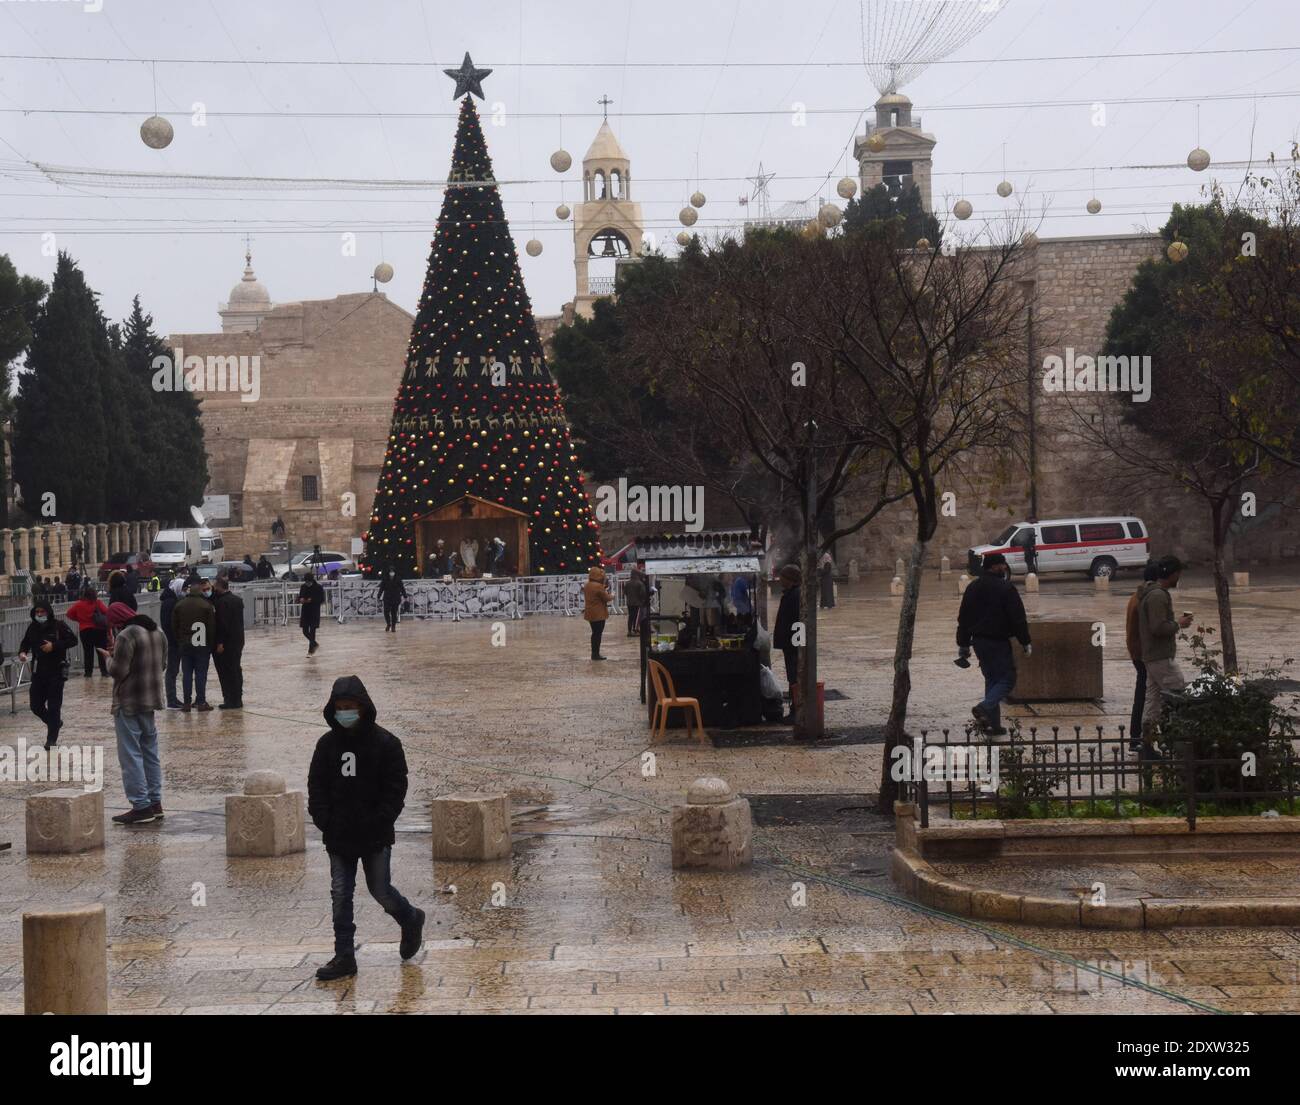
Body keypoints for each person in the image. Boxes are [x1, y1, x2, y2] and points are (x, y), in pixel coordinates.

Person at [308, 676, 424, 981]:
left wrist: (380, 821)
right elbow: (316, 787)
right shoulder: (326, 745)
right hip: (339, 836)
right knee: (341, 894)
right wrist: (325, 820)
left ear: (362, 707)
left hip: (374, 835)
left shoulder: (386, 743)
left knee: (381, 890)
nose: (345, 713)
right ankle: (344, 955)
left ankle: (410, 918)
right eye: (340, 708)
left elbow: (396, 788)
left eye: (350, 707)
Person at [102, 610, 167, 825]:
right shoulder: (157, 631)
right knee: (150, 752)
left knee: (130, 754)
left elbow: (118, 670)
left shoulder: (127, 635)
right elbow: (163, 664)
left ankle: (141, 805)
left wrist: (108, 659)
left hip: (128, 701)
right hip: (150, 700)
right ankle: (155, 802)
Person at [956, 552, 1031, 736]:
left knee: (992, 680)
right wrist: (1025, 641)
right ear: (993, 566)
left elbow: (963, 618)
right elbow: (1018, 618)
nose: (1004, 567)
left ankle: (992, 725)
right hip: (997, 642)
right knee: (1007, 679)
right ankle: (984, 707)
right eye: (1002, 564)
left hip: (979, 643)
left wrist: (963, 645)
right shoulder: (1005, 588)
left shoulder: (973, 587)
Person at [1137, 555, 1194, 744]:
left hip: (1153, 656)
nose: (1179, 578)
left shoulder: (1153, 594)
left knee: (1153, 702)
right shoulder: (1157, 596)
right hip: (1160, 657)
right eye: (1178, 574)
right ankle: (1177, 741)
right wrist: (1179, 624)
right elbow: (1157, 627)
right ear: (1172, 574)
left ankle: (1148, 743)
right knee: (1178, 694)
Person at [17, 600, 77, 750]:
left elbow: (73, 640)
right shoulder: (32, 627)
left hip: (56, 672)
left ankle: (51, 739)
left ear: (48, 612)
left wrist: (54, 646)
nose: (39, 614)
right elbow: (25, 643)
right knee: (35, 705)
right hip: (38, 673)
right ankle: (54, 722)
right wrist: (22, 653)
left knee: (54, 706)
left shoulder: (59, 626)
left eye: (42, 612)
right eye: (37, 612)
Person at [1125, 559, 1163, 751]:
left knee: (1144, 694)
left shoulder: (1137, 595)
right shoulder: (1146, 598)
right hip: (1144, 654)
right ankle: (1139, 738)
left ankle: (1137, 737)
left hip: (1137, 652)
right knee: (1148, 695)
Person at [172, 579, 215, 712]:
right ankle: (201, 702)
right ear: (200, 591)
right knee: (201, 674)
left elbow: (174, 626)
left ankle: (186, 703)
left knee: (187, 674)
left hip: (185, 644)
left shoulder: (179, 605)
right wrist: (210, 644)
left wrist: (179, 640)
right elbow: (212, 627)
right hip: (201, 644)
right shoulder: (206, 605)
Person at [772, 564, 802, 721]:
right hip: (790, 644)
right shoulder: (791, 594)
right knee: (792, 677)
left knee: (794, 677)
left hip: (793, 645)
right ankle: (794, 709)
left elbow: (799, 622)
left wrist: (797, 644)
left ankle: (796, 711)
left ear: (790, 579)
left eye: (782, 577)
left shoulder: (795, 595)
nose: (780, 580)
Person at [211, 576, 245, 710]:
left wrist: (220, 643)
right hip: (238, 640)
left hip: (226, 643)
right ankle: (238, 698)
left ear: (219, 587)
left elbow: (222, 625)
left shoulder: (221, 603)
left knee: (227, 671)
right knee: (236, 669)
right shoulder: (237, 600)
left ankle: (231, 699)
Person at [65, 585, 110, 677]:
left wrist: (78, 619)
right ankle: (104, 671)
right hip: (99, 630)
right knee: (101, 651)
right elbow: (107, 612)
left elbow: (69, 614)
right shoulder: (98, 603)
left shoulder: (79, 604)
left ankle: (88, 673)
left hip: (85, 631)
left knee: (88, 652)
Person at [159, 576, 184, 709]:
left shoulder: (171, 600)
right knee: (172, 671)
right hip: (173, 642)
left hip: (173, 641)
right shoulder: (170, 603)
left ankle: (173, 698)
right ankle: (171, 699)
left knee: (173, 671)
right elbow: (169, 624)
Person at [583, 565, 612, 661]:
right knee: (598, 634)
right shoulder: (598, 587)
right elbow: (606, 598)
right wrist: (612, 595)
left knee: (594, 633)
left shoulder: (588, 585)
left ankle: (594, 653)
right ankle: (596, 654)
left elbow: (596, 593)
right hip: (599, 614)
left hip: (590, 613)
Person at [299, 573, 326, 655]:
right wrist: (301, 599)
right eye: (306, 582)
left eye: (309, 582)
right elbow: (300, 596)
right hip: (305, 611)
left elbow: (322, 599)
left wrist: (313, 600)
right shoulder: (303, 587)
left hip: (314, 611)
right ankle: (314, 644)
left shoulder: (318, 587)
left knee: (313, 630)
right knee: (305, 631)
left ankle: (310, 650)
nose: (307, 583)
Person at [377, 566, 407, 632]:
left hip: (395, 598)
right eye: (390, 572)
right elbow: (381, 588)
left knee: (394, 613)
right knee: (386, 612)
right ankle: (388, 624)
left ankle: (393, 626)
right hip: (387, 598)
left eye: (392, 572)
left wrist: (405, 596)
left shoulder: (398, 579)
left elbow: (402, 588)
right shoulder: (385, 579)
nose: (391, 573)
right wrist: (378, 596)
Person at [624, 564, 647, 637]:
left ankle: (629, 630)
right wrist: (642, 600)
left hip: (629, 602)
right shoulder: (640, 583)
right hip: (637, 603)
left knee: (630, 616)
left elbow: (625, 592)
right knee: (636, 617)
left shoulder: (627, 583)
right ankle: (635, 629)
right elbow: (643, 593)